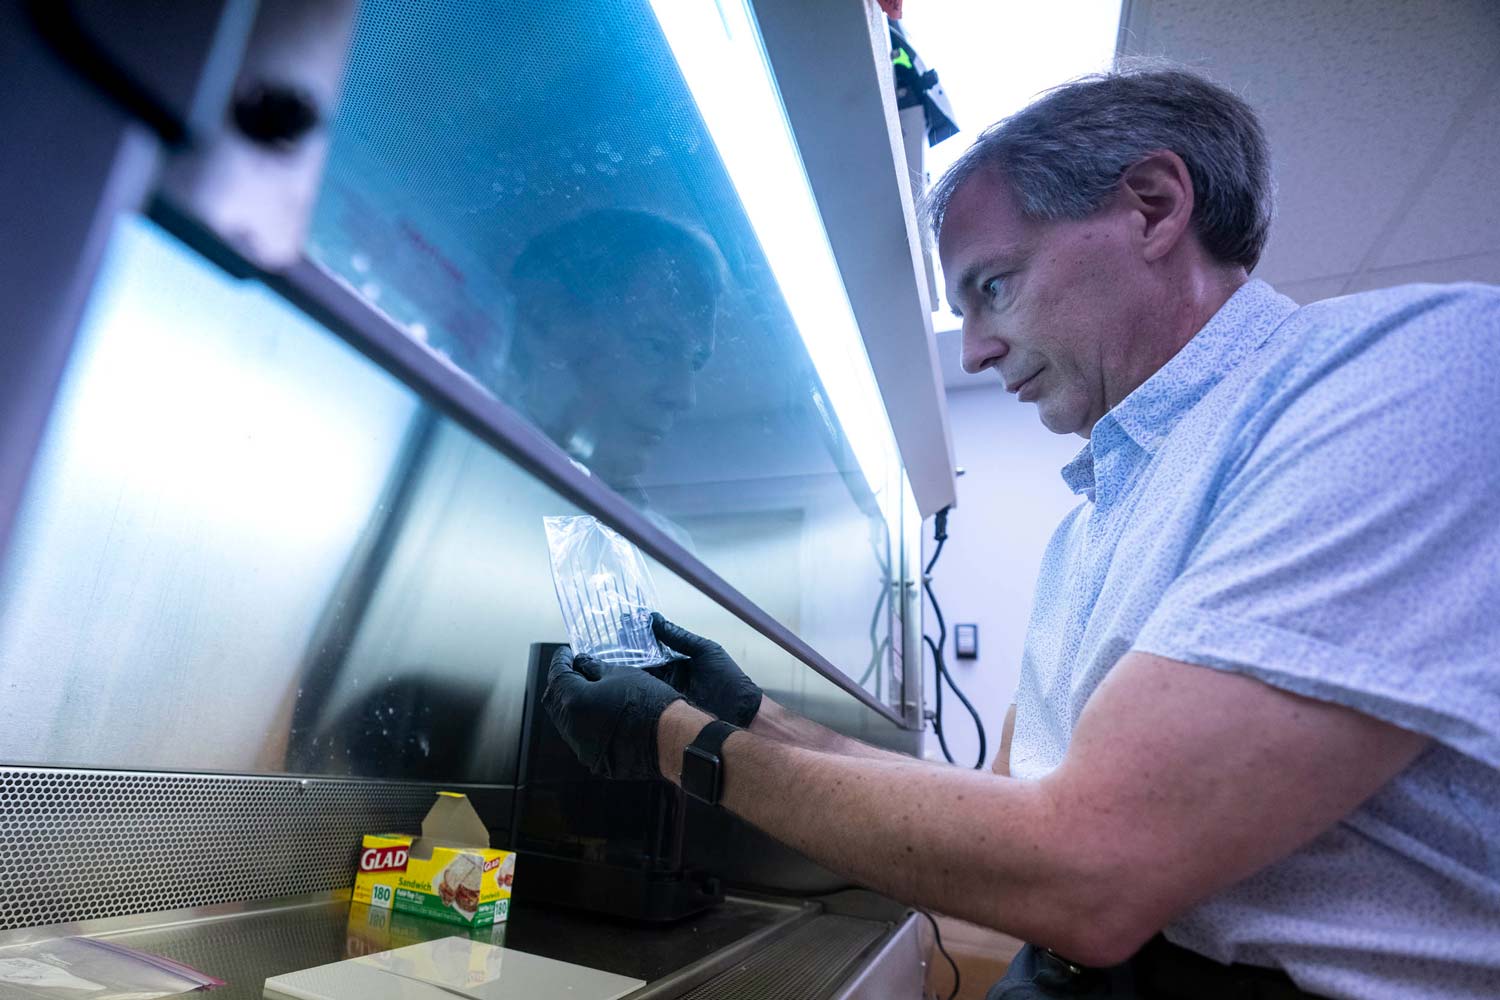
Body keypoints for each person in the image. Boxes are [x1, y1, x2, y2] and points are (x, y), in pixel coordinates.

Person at [540, 67, 1500, 999]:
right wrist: (753, 719)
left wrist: (680, 745)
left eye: (992, 285)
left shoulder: (1405, 370)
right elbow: (1011, 812)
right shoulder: (1086, 533)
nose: (975, 348)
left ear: (1156, 206)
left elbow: (1088, 865)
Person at [500, 209, 726, 492]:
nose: (685, 396)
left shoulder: (655, 533)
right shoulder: (464, 458)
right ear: (546, 323)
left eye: (696, 363)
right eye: (655, 345)